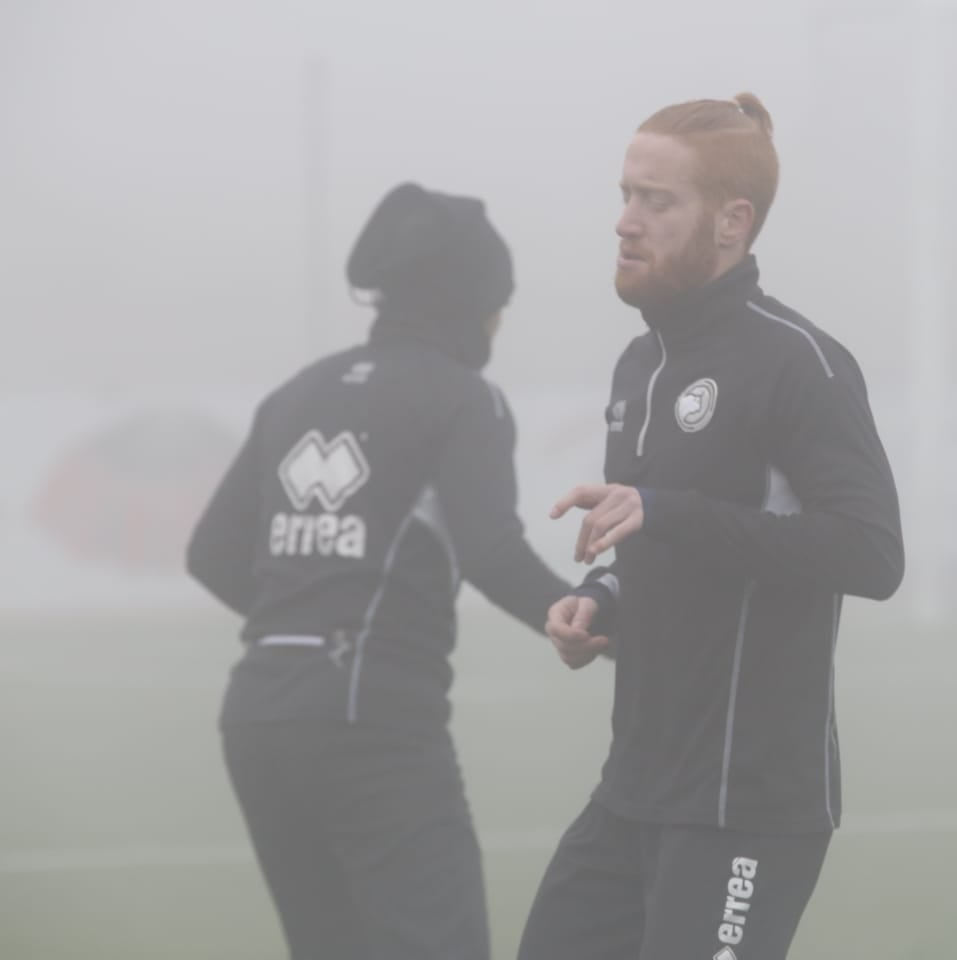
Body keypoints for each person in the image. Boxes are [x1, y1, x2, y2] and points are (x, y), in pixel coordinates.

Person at [185, 182, 613, 960]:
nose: (500, 322)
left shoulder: (295, 394)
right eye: (498, 302)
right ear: (471, 301)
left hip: (256, 719)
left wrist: (307, 616)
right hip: (373, 727)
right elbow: (490, 550)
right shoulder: (463, 399)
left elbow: (210, 554)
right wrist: (595, 617)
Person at [522, 92, 905, 960]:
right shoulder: (640, 362)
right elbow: (662, 543)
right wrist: (600, 600)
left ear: (733, 221)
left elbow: (872, 552)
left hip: (747, 804)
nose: (626, 222)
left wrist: (668, 512)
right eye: (624, 194)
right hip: (635, 790)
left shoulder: (797, 362)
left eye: (656, 201)